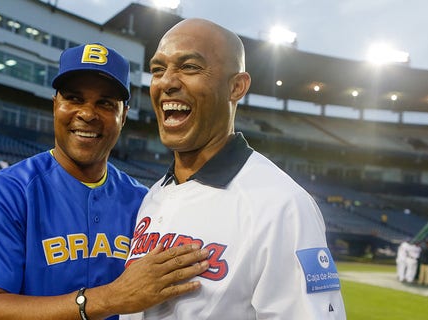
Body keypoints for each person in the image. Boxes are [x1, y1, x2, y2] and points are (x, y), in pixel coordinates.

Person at [0, 42, 209, 320]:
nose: (88, 114)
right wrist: (107, 299)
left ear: (123, 116)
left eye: (105, 103)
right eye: (74, 98)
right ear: (55, 105)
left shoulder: (144, 202)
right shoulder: (4, 193)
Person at [122, 19, 346, 319]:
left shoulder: (282, 206)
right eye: (158, 70)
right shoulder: (154, 196)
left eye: (189, 67)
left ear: (236, 87)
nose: (167, 82)